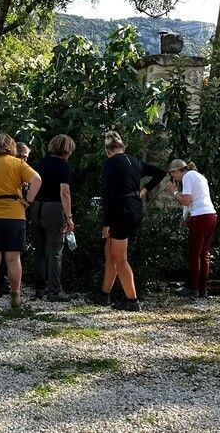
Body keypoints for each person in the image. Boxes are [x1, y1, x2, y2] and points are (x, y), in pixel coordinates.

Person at [90, 131, 166, 311]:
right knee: (110, 251)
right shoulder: (135, 161)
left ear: (108, 150)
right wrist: (145, 189)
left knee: (119, 257)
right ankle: (104, 294)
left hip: (120, 211)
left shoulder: (110, 163)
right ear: (123, 147)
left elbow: (108, 194)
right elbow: (160, 172)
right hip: (134, 208)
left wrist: (106, 223)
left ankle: (132, 300)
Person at [0, 133, 42, 310]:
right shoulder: (18, 163)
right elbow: (37, 179)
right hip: (14, 214)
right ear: (11, 147)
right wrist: (28, 200)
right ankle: (16, 297)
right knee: (13, 257)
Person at [31, 134, 76, 302]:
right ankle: (54, 290)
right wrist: (69, 217)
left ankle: (39, 288)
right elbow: (64, 192)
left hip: (36, 206)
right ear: (68, 149)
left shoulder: (40, 163)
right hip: (53, 208)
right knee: (55, 250)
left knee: (40, 249)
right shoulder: (63, 166)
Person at [166, 159, 217, 298]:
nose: (174, 178)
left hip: (200, 217)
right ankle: (202, 289)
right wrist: (185, 216)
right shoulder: (198, 176)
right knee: (204, 254)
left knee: (195, 254)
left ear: (177, 171)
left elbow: (186, 201)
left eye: (173, 174)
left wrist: (174, 192)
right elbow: (191, 200)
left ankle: (193, 288)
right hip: (211, 215)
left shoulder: (187, 177)